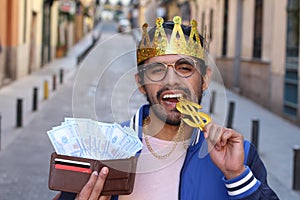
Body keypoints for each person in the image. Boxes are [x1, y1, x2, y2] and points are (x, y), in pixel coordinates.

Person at [55, 16, 279, 200]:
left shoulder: (239, 155)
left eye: (184, 68)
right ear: (141, 83)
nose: (171, 81)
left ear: (205, 79)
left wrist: (237, 176)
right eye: (156, 70)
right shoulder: (102, 149)